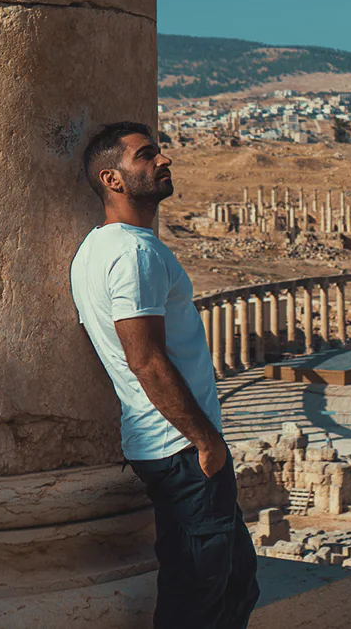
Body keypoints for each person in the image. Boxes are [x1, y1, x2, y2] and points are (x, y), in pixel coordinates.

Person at [71, 122, 259, 629]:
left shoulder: (98, 248)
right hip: (180, 450)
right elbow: (146, 360)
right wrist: (205, 441)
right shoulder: (134, 253)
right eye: (147, 155)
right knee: (196, 599)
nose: (164, 160)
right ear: (112, 179)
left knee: (236, 582)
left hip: (171, 447)